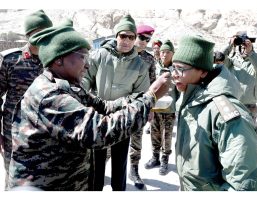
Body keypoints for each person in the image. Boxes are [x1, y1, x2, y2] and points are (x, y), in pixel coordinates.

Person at [7, 19, 171, 191]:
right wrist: (150, 98)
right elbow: (100, 131)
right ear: (58, 60)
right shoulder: (50, 96)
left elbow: (104, 106)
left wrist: (140, 98)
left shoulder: (68, 85)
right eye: (82, 57)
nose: (87, 65)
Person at [172, 34, 257, 191]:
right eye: (173, 67)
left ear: (202, 72)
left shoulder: (226, 114)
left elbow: (246, 182)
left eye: (181, 69)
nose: (174, 74)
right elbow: (220, 57)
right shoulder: (189, 99)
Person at [82, 14, 150, 191]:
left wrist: (121, 103)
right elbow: (85, 80)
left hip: (123, 118)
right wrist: (89, 100)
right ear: (116, 36)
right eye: (123, 36)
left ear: (135, 39)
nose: (126, 40)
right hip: (98, 117)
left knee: (119, 165)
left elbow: (141, 94)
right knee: (96, 165)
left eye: (131, 37)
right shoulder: (99, 56)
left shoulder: (140, 65)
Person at [0, 9, 53, 188]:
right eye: (37, 33)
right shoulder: (10, 60)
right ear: (28, 35)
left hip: (46, 134)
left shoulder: (56, 62)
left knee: (42, 182)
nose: (42, 38)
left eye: (47, 33)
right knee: (14, 179)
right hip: (13, 134)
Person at [145, 40, 179, 175]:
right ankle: (155, 157)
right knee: (154, 134)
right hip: (155, 107)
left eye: (167, 52)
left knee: (167, 136)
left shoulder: (176, 69)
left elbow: (180, 90)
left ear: (173, 54)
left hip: (169, 109)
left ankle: (165, 160)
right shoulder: (154, 66)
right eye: (162, 52)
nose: (164, 55)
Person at [128, 24, 156, 189]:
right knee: (110, 139)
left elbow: (152, 86)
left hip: (139, 107)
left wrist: (150, 108)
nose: (145, 42)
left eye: (148, 39)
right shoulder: (122, 55)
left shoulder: (149, 59)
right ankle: (100, 169)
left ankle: (134, 170)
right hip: (120, 106)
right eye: (142, 38)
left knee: (136, 140)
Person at [222, 31, 257, 127]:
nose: (244, 49)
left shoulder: (256, 62)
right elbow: (218, 58)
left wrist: (251, 53)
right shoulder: (232, 61)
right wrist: (229, 45)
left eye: (246, 46)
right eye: (242, 47)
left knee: (249, 136)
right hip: (232, 105)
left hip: (249, 107)